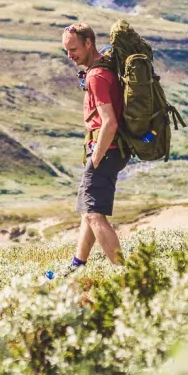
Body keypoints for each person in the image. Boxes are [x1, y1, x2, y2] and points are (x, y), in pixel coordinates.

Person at [60, 23, 127, 274]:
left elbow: (109, 122)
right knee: (88, 210)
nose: (70, 56)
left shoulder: (97, 76)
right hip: (112, 149)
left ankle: (125, 273)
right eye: (66, 51)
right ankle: (77, 266)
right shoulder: (101, 70)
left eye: (74, 49)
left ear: (89, 43)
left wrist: (96, 159)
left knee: (94, 215)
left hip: (105, 150)